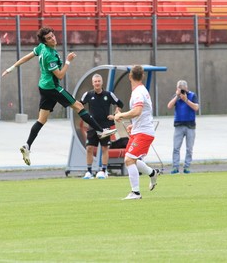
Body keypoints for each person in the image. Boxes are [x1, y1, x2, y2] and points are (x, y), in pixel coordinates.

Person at [1, 27, 117, 166]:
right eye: (49, 38)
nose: (53, 39)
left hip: (43, 87)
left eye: (52, 36)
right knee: (78, 106)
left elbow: (28, 56)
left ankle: (27, 145)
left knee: (41, 120)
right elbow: (60, 75)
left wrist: (11, 68)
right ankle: (100, 131)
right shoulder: (49, 55)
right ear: (45, 41)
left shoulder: (41, 47)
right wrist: (68, 61)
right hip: (53, 88)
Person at [114, 65, 159, 200]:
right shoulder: (141, 91)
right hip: (139, 130)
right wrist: (133, 126)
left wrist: (121, 115)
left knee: (129, 159)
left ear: (130, 76)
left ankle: (136, 193)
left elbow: (138, 111)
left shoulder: (138, 92)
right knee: (131, 159)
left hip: (144, 132)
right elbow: (141, 113)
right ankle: (152, 173)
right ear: (143, 76)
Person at [80, 73, 124, 179]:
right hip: (92, 126)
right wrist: (85, 116)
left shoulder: (108, 95)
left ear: (102, 82)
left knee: (104, 148)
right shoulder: (88, 95)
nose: (97, 83)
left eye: (99, 81)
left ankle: (104, 171)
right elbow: (79, 105)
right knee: (89, 148)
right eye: (95, 81)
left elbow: (120, 104)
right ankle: (89, 171)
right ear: (92, 83)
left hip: (105, 126)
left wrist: (114, 115)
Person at [167, 80, 199, 174]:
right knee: (176, 147)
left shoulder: (192, 95)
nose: (182, 91)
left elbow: (196, 108)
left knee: (189, 148)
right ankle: (175, 167)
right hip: (178, 125)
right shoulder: (176, 96)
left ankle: (187, 167)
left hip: (190, 125)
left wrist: (186, 100)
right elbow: (169, 106)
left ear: (186, 88)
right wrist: (177, 96)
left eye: (183, 89)